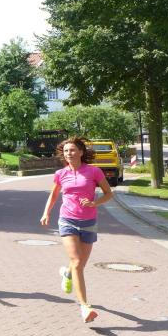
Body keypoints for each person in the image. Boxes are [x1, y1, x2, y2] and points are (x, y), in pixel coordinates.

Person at [40, 137, 113, 323]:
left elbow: (108, 194)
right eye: (66, 151)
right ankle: (84, 306)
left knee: (79, 265)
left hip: (89, 222)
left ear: (81, 152)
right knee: (77, 261)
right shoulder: (60, 173)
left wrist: (94, 203)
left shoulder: (94, 171)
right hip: (67, 220)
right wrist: (46, 213)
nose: (69, 153)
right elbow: (54, 195)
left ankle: (67, 274)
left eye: (72, 150)